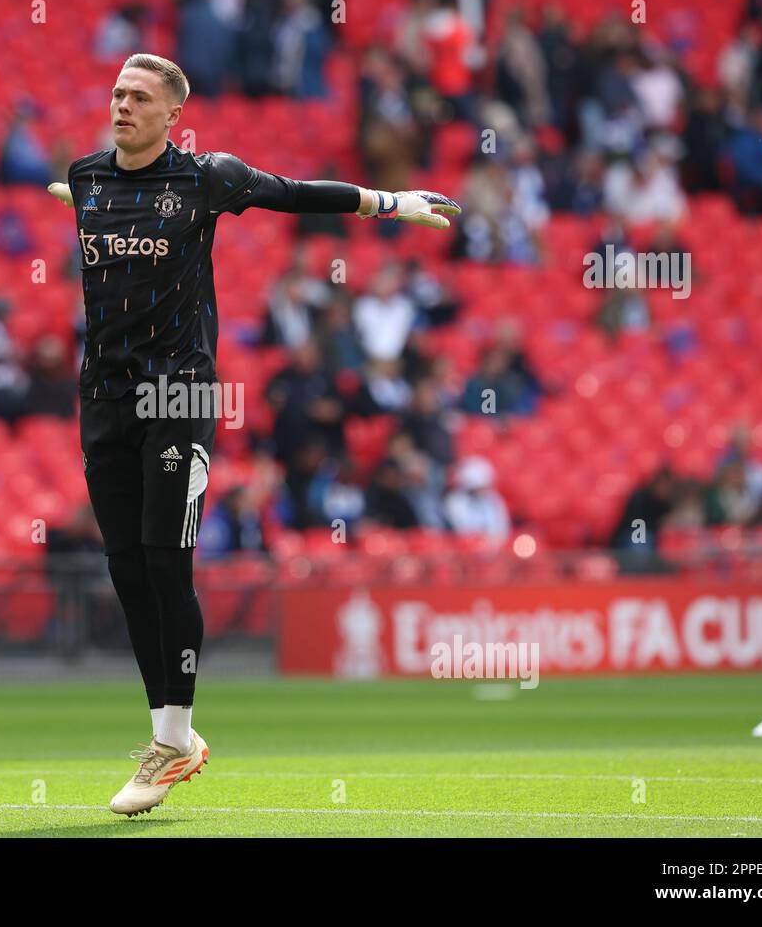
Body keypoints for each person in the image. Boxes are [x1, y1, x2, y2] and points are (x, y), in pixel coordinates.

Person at [46, 52, 461, 816]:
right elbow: (103, 225)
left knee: (168, 565)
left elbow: (293, 195)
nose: (122, 105)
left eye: (140, 97)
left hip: (175, 395)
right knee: (127, 570)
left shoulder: (208, 178)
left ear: (175, 113)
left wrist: (389, 202)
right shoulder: (88, 178)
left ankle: (173, 739)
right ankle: (172, 737)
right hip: (100, 397)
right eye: (116, 94)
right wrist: (80, 197)